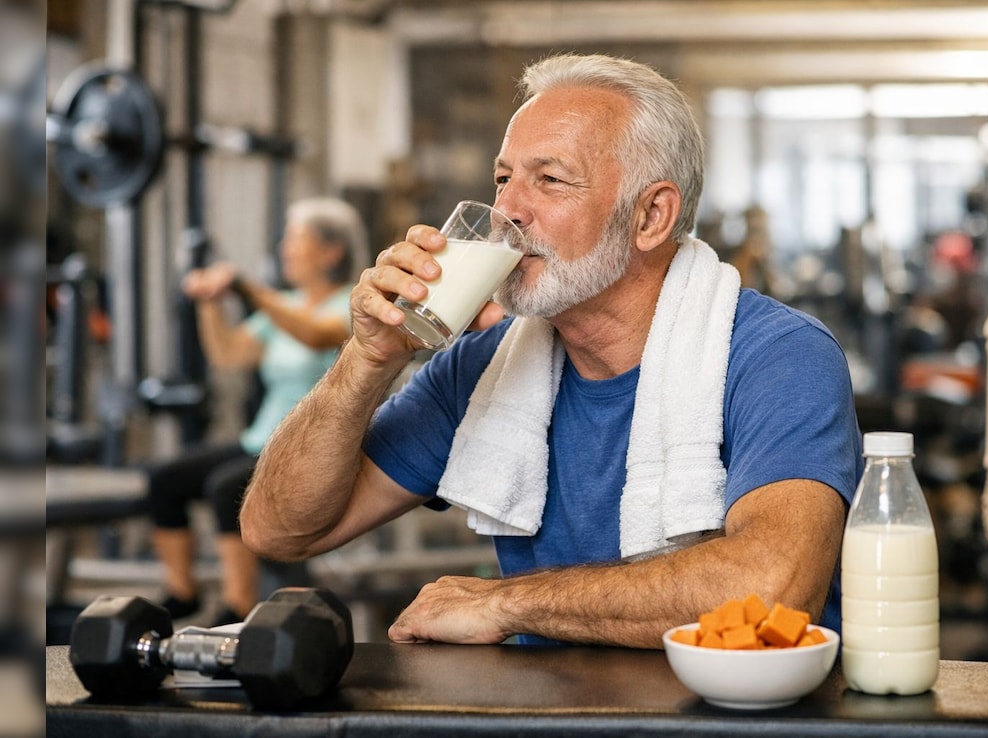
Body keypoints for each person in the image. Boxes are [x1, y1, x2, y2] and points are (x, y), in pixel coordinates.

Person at [240, 54, 862, 648]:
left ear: (651, 216)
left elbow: (774, 588)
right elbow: (279, 530)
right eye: (504, 178)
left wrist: (505, 602)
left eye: (550, 180)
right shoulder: (484, 365)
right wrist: (367, 359)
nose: (507, 210)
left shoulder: (777, 357)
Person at [148, 197, 367, 626]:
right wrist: (211, 299)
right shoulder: (283, 305)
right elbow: (228, 354)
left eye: (295, 239)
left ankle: (238, 602)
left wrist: (248, 289)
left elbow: (316, 336)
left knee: (227, 486)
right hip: (260, 439)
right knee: (165, 479)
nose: (285, 248)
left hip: (308, 445)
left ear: (331, 250)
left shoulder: (351, 302)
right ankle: (182, 591)